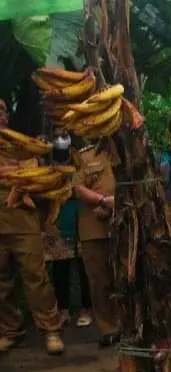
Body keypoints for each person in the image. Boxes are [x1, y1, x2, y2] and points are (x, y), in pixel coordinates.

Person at [0, 101, 65, 355]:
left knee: (36, 277)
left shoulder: (23, 145)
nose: (0, 117)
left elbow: (38, 172)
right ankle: (10, 330)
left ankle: (51, 329)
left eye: (2, 112)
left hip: (23, 220)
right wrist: (12, 173)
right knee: (1, 282)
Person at [43, 126, 92, 329]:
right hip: (57, 222)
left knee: (84, 268)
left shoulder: (81, 161)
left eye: (64, 136)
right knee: (60, 270)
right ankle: (63, 310)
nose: (61, 140)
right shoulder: (45, 164)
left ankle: (86, 309)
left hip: (80, 220)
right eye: (57, 136)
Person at [73, 140, 121, 346]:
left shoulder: (128, 151)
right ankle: (108, 328)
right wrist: (103, 200)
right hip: (94, 227)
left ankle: (129, 325)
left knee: (124, 277)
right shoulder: (86, 156)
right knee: (99, 280)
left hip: (126, 226)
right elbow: (77, 187)